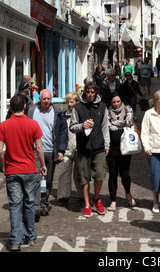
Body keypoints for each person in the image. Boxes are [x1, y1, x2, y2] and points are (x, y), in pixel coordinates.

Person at [0, 95, 47, 251]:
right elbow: (38, 147)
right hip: (29, 169)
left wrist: (2, 165)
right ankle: (30, 235)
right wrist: (43, 165)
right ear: (25, 107)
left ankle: (15, 240)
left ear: (10, 108)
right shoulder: (33, 124)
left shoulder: (4, 125)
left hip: (12, 170)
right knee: (29, 204)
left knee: (14, 205)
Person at [69, 81, 110, 218]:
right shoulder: (78, 108)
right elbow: (72, 127)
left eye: (93, 92)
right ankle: (87, 204)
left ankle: (96, 198)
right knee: (84, 178)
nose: (90, 94)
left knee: (100, 174)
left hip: (98, 147)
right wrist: (82, 126)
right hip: (83, 148)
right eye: (88, 92)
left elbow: (105, 127)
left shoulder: (102, 107)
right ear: (85, 92)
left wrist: (107, 145)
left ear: (96, 92)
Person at [28, 89, 68, 218]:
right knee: (37, 179)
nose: (46, 101)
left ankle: (44, 201)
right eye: (44, 99)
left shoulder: (57, 113)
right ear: (40, 99)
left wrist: (61, 150)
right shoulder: (32, 111)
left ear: (52, 99)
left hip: (51, 151)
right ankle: (36, 205)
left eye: (48, 99)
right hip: (34, 151)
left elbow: (63, 132)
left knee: (48, 180)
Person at [141, 90, 160, 215]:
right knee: (155, 176)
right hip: (154, 150)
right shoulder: (149, 114)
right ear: (156, 100)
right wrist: (147, 147)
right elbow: (145, 132)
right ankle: (155, 202)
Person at [106, 92, 137, 211]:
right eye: (113, 102)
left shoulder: (127, 108)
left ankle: (128, 193)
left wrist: (113, 123)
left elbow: (128, 123)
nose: (116, 104)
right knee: (112, 175)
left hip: (125, 149)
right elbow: (107, 126)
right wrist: (121, 124)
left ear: (121, 101)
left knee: (125, 173)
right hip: (112, 149)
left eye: (118, 101)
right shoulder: (107, 111)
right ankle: (113, 200)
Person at [57, 92, 82, 203]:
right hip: (67, 148)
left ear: (77, 102)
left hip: (78, 147)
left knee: (79, 172)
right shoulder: (63, 115)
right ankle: (63, 195)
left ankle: (82, 194)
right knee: (65, 171)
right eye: (68, 102)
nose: (69, 104)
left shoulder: (80, 114)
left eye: (71, 102)